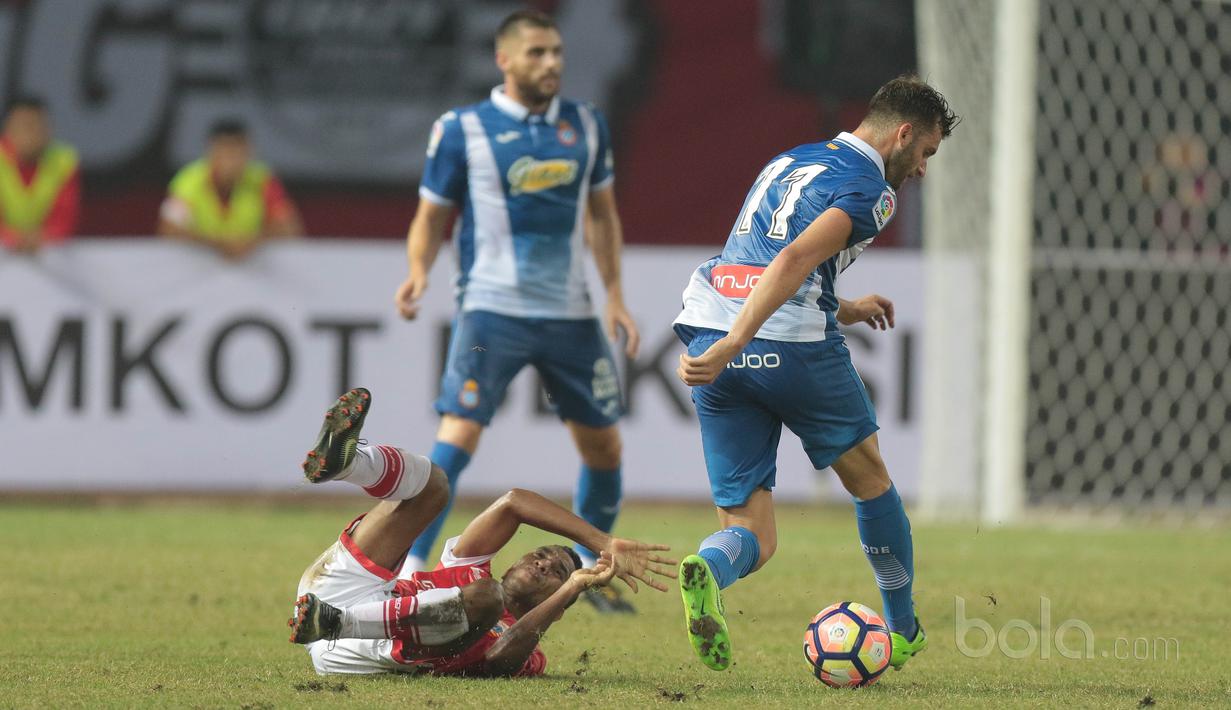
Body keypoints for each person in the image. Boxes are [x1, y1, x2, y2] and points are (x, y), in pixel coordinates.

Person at [670, 75, 958, 672]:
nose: (923, 169)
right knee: (871, 481)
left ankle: (710, 568)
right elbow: (795, 256)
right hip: (784, 347)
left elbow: (760, 260)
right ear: (903, 133)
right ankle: (903, 629)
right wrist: (739, 340)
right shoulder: (872, 191)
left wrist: (842, 308)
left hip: (709, 330)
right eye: (926, 152)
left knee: (753, 532)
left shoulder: (790, 160)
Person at [392, 10, 641, 613]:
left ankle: (586, 574)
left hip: (570, 314)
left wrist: (614, 294)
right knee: (458, 433)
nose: (551, 62)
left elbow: (602, 215)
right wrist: (419, 269)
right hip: (491, 310)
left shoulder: (586, 124)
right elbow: (431, 215)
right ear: (504, 59)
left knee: (604, 448)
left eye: (556, 51)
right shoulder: (463, 129)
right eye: (536, 53)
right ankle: (412, 569)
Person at [288, 388, 675, 677]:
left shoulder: (527, 648)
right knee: (435, 485)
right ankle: (349, 464)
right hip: (332, 593)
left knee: (488, 597)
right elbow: (514, 503)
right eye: (539, 555)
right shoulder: (469, 568)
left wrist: (574, 585)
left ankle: (336, 622)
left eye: (557, 572)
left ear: (557, 609)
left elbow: (496, 663)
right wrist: (603, 542)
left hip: (361, 649)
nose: (542, 563)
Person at [157, 119, 302, 260]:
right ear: (212, 151)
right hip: (200, 266)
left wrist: (252, 241)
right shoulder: (189, 180)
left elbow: (289, 227)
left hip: (251, 267)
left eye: (238, 152)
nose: (232, 161)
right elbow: (169, 228)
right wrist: (218, 244)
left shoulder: (263, 181)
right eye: (226, 152)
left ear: (249, 152)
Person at [0, 96, 80, 252]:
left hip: (48, 251)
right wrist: (13, 238)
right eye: (25, 126)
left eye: (38, 126)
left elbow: (65, 217)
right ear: (8, 129)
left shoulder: (64, 161)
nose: (32, 134)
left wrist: (43, 237)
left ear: (49, 129)